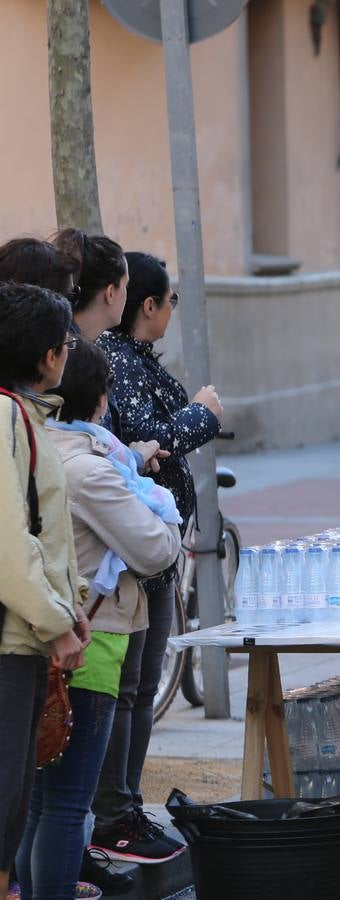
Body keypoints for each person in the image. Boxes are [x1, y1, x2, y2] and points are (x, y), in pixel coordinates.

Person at [18, 339, 181, 900]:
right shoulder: (92, 469)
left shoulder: (36, 447)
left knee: (39, 801)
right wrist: (165, 514)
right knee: (66, 803)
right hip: (93, 640)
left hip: (42, 638)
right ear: (99, 399)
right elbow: (156, 548)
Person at [92, 253, 222, 865]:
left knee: (140, 689)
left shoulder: (129, 359)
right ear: (146, 304)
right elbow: (150, 443)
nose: (173, 312)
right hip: (137, 552)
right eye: (170, 301)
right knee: (131, 688)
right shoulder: (118, 362)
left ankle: (123, 805)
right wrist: (203, 414)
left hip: (153, 548)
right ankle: (113, 811)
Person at [0, 284, 89, 898]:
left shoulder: (21, 415)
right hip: (11, 643)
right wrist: (56, 623)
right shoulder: (5, 415)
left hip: (24, 639)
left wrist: (69, 608)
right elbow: (10, 543)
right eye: (64, 344)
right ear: (46, 357)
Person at [52, 229, 128, 340]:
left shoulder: (58, 337)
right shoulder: (68, 350)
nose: (126, 293)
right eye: (125, 285)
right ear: (110, 293)